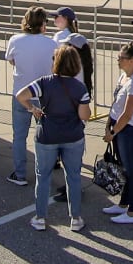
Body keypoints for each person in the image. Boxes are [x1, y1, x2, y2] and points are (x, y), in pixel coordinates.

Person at [17, 42, 91, 232]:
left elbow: (21, 95)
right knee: (73, 177)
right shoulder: (80, 87)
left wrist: (33, 109)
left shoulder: (44, 82)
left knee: (43, 177)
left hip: (47, 134)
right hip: (72, 135)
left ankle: (40, 217)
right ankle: (75, 218)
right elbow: (84, 115)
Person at [4, 7, 57, 187]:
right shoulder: (51, 44)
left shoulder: (15, 40)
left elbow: (11, 60)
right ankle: (44, 172)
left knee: (19, 136)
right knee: (44, 137)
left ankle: (19, 174)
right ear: (42, 24)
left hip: (21, 92)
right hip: (43, 94)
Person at [102, 40, 133, 224]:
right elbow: (115, 105)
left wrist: (113, 131)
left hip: (128, 130)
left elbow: (128, 113)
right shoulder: (123, 77)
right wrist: (108, 123)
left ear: (132, 61)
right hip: (118, 126)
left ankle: (132, 212)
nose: (118, 60)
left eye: (121, 58)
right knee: (124, 168)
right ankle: (123, 204)